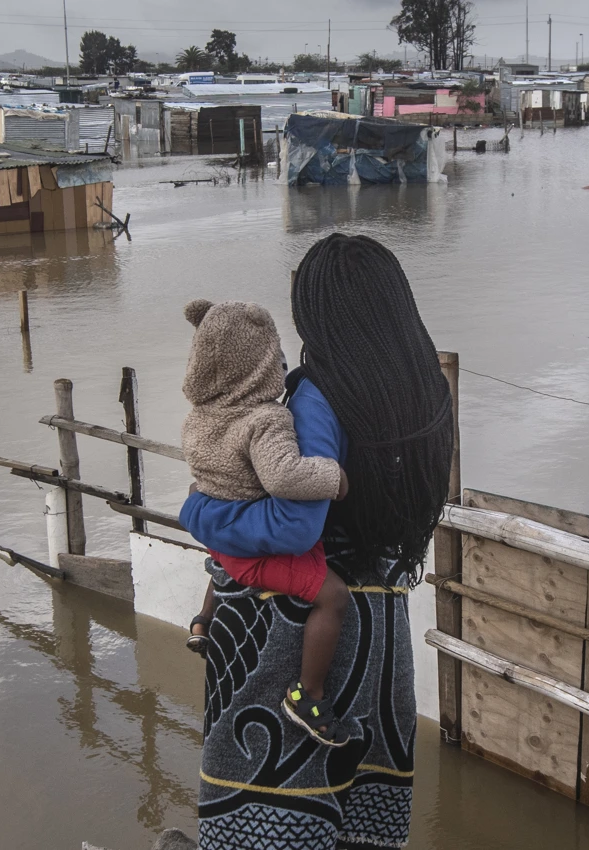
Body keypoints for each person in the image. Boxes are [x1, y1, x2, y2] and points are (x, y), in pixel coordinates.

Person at [190, 234, 454, 850]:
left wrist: (205, 519)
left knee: (264, 817)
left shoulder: (313, 394)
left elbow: (292, 522)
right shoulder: (426, 396)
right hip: (382, 632)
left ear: (317, 310)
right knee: (364, 816)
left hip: (289, 626)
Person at [175, 298, 354, 746]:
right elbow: (283, 475)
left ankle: (203, 620)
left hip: (219, 537)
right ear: (258, 367)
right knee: (333, 597)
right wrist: (334, 478)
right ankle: (307, 694)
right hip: (252, 550)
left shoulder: (199, 418)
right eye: (275, 355)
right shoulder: (266, 420)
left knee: (223, 553)